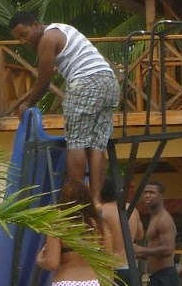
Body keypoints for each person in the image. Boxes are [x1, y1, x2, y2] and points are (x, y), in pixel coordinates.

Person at [7, 12, 120, 204]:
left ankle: (76, 202)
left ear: (35, 25)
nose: (23, 41)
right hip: (109, 83)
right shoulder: (63, 29)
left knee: (76, 142)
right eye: (18, 39)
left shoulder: (48, 39)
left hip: (86, 84)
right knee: (97, 145)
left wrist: (27, 104)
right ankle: (95, 200)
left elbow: (44, 81)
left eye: (24, 34)